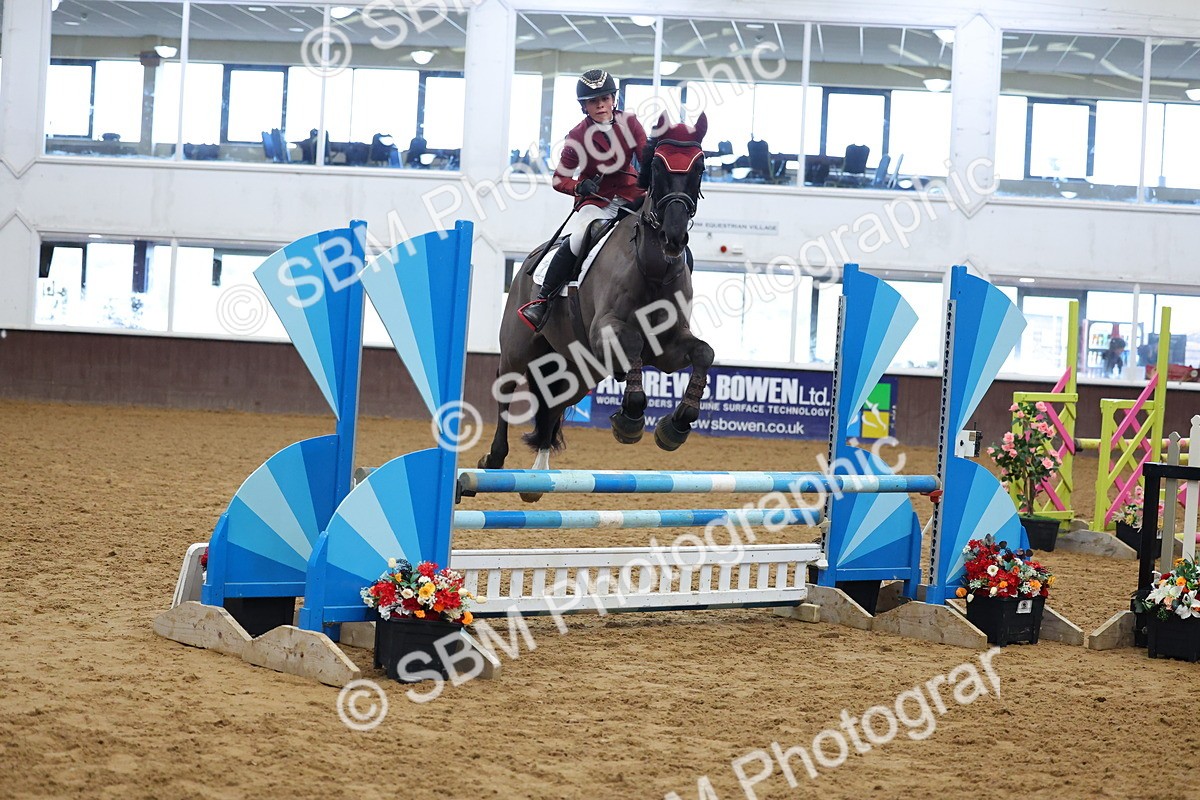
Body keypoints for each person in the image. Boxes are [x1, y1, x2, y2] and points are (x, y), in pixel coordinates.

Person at [518, 69, 648, 332]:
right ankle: (543, 299)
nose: (600, 105)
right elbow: (559, 179)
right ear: (584, 106)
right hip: (597, 201)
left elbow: (646, 160)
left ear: (614, 99)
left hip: (632, 197)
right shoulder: (577, 136)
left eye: (604, 98)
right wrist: (580, 186)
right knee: (579, 238)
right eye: (593, 101)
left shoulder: (631, 123)